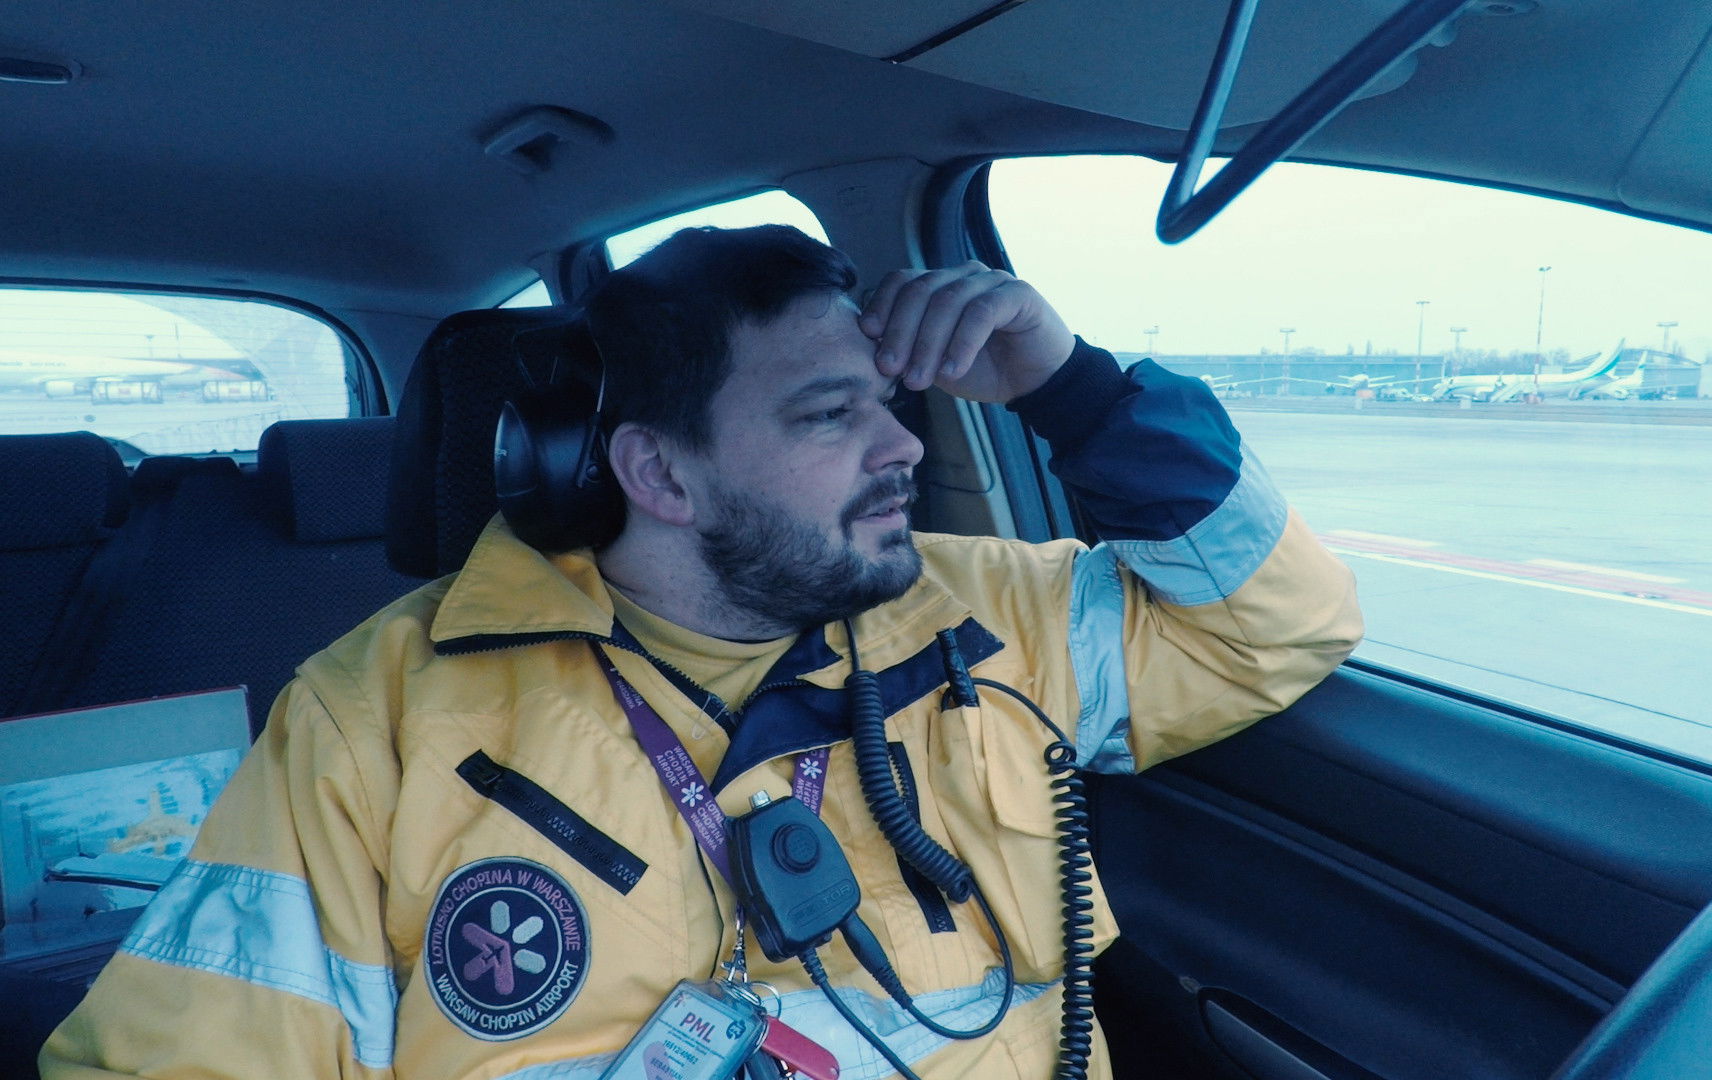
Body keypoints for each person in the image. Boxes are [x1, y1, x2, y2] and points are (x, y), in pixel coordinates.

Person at [42, 225, 1362, 1079]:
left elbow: (1277, 623)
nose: (904, 446)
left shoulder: (992, 614)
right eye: (830, 415)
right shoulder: (375, 715)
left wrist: (1072, 387)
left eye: (890, 403)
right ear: (659, 474)